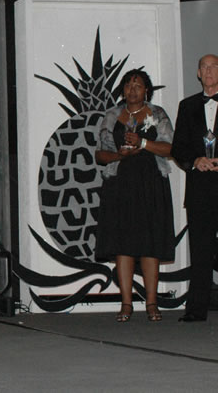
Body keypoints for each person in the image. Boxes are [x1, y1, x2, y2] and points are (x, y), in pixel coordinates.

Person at [94, 69, 175, 322]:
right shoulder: (111, 115)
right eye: (128, 85)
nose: (132, 89)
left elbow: (170, 147)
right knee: (123, 242)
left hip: (150, 183)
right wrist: (121, 155)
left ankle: (152, 303)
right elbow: (100, 154)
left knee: (150, 243)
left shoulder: (157, 114)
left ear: (146, 90)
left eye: (138, 85)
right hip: (120, 184)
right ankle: (126, 303)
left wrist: (142, 144)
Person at [171, 53, 218, 322]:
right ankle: (196, 308)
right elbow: (178, 147)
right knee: (200, 248)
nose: (208, 71)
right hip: (199, 188)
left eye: (213, 66)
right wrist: (194, 161)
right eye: (204, 67)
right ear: (198, 73)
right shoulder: (187, 106)